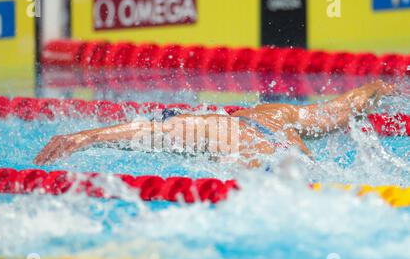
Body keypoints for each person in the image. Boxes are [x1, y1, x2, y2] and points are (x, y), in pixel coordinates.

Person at [34, 80, 394, 168]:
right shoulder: (279, 115)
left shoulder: (217, 127)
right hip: (313, 176)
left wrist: (85, 136)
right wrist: (376, 89)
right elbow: (339, 110)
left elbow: (151, 131)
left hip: (272, 184)